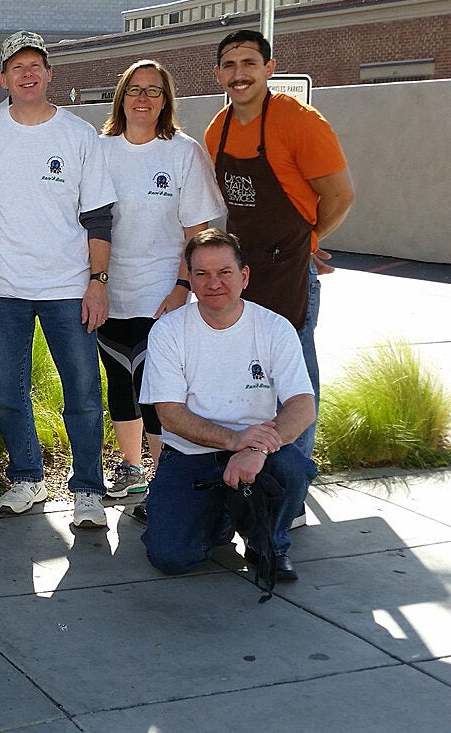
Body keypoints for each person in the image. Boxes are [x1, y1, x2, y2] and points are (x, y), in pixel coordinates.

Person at [0, 31, 115, 529]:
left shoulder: (78, 136)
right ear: (3, 77)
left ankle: (88, 490)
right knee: (9, 393)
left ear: (50, 74)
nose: (27, 73)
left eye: (36, 64)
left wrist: (97, 282)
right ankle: (27, 476)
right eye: (18, 66)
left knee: (82, 392)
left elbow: (99, 218)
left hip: (67, 289)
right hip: (5, 288)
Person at [205, 30, 354, 461]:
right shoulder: (218, 130)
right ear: (218, 75)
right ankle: (256, 466)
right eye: (230, 66)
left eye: (250, 63)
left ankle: (293, 480)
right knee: (251, 376)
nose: (240, 74)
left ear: (269, 69)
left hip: (290, 272)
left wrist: (307, 241)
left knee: (295, 379)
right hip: (243, 273)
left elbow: (341, 196)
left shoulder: (300, 120)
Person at [140, 228, 317, 579]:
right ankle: (221, 517)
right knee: (170, 557)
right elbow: (170, 415)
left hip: (261, 453)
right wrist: (235, 441)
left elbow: (302, 405)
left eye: (224, 272)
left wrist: (256, 450)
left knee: (293, 466)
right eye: (202, 274)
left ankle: (268, 541)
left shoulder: (274, 328)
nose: (214, 283)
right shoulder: (168, 331)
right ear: (188, 278)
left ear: (244, 276)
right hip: (190, 456)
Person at [97, 60, 224, 498]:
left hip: (162, 292)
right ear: (121, 97)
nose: (143, 98)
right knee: (118, 379)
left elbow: (198, 233)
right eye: (135, 89)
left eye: (154, 90)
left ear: (166, 100)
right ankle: (132, 468)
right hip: (109, 290)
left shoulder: (183, 151)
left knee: (153, 387)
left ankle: (161, 476)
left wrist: (183, 286)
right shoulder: (100, 149)